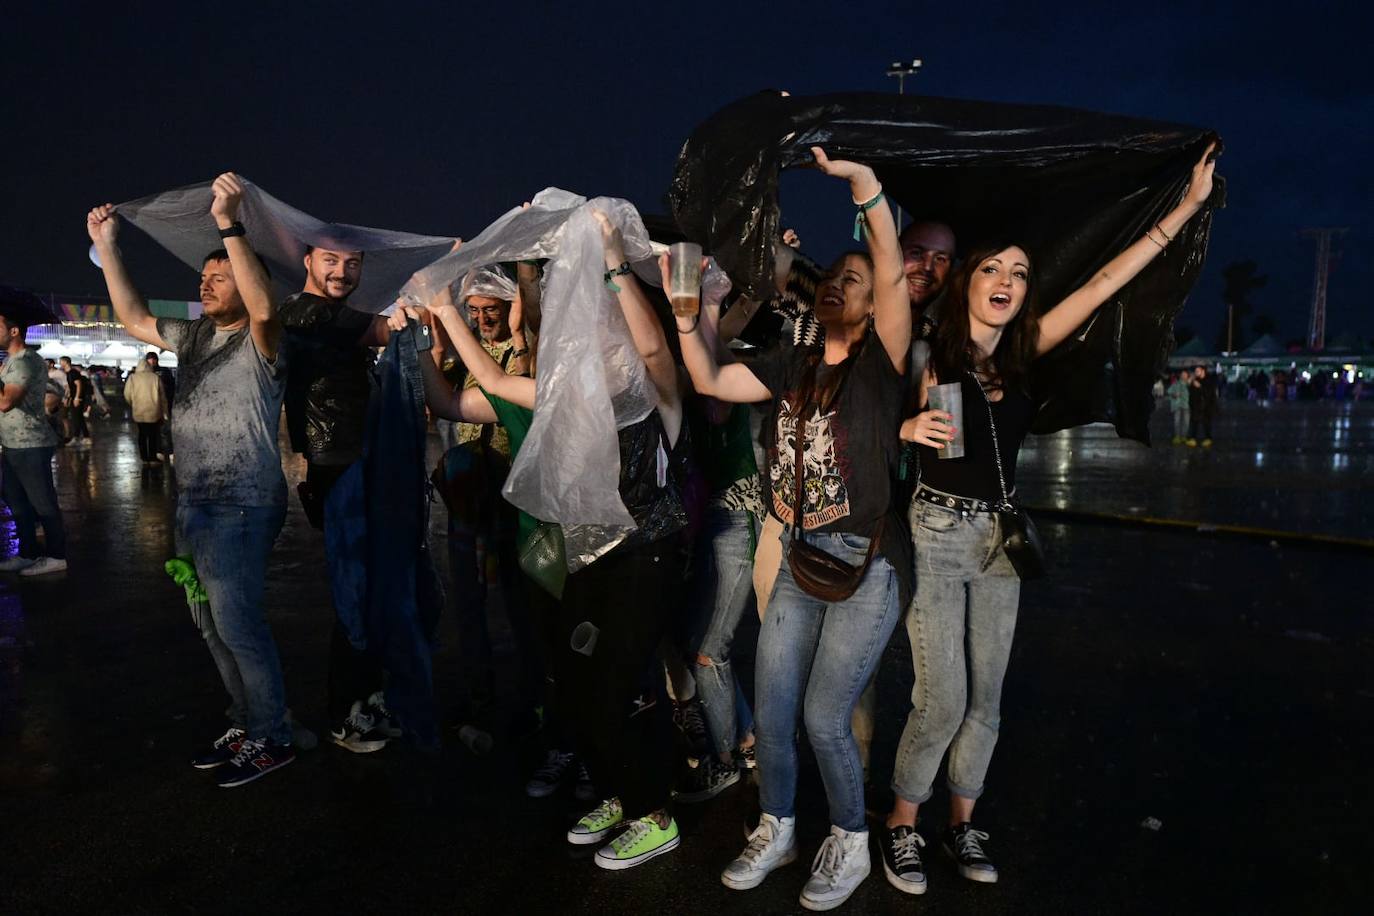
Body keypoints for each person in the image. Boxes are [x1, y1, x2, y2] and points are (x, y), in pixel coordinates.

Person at [882, 143, 1218, 894]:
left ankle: (962, 825)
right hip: (934, 532)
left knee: (989, 698)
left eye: (1020, 272)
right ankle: (902, 825)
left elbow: (1104, 282)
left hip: (999, 537)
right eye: (993, 268)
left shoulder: (1027, 349)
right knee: (941, 699)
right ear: (968, 277)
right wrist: (904, 431)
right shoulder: (925, 348)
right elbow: (870, 404)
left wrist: (1186, 209)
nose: (1005, 281)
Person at [676, 147, 911, 910]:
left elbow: (890, 265)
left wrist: (862, 186)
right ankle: (777, 830)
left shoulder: (883, 364)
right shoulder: (792, 363)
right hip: (799, 554)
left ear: (877, 302)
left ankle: (849, 838)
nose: (840, 284)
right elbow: (709, 378)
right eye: (835, 277)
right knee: (771, 713)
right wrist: (690, 318)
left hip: (864, 564)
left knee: (822, 716)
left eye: (855, 279)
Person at [86, 172, 297, 787]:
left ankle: (273, 734)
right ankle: (246, 718)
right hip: (195, 505)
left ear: (246, 277)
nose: (205, 283)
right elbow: (131, 317)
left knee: (239, 623)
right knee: (208, 622)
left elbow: (262, 305)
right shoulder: (196, 335)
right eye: (202, 277)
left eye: (220, 274)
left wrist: (229, 223)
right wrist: (110, 248)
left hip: (243, 504)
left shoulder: (265, 338)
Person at [278, 242, 399, 752]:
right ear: (307, 261)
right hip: (337, 465)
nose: (342, 272)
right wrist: (445, 279)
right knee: (354, 589)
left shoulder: (331, 316)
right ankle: (345, 712)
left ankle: (365, 698)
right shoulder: (306, 311)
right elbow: (388, 329)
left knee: (368, 586)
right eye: (330, 260)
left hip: (354, 461)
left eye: (352, 264)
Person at [0, 311, 68, 577]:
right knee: (16, 501)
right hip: (13, 443)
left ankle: (56, 555)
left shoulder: (26, 361)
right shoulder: (11, 362)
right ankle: (28, 553)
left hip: (30, 443)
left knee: (42, 503)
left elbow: (6, 402)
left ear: (14, 331)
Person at [124, 353, 168, 464]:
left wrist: (133, 404)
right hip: (154, 411)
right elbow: (163, 397)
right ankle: (153, 458)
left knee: (142, 434)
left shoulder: (132, 378)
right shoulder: (155, 378)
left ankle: (144, 458)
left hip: (139, 412)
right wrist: (165, 412)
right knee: (153, 435)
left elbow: (127, 394)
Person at [59, 357, 93, 446]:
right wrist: (67, 398)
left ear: (66, 362)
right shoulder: (69, 373)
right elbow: (70, 388)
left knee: (78, 418)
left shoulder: (73, 373)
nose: (60, 363)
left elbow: (78, 385)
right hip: (73, 398)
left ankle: (82, 437)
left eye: (61, 361)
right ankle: (80, 437)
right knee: (77, 418)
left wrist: (77, 398)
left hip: (78, 398)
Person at [1188, 364, 1218, 447]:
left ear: (1203, 371)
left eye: (1198, 371)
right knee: (1194, 423)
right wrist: (1190, 384)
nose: (1196, 372)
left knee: (1206, 423)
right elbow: (1191, 394)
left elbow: (1210, 394)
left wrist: (1200, 387)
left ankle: (1208, 438)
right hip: (1196, 407)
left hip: (1207, 407)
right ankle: (1192, 438)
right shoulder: (1195, 380)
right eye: (1195, 371)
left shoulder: (1209, 380)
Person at [1167, 368, 1192, 445]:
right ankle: (1177, 436)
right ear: (1180, 375)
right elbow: (1169, 391)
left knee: (1186, 422)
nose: (1183, 376)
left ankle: (1184, 436)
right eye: (1182, 374)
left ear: (1188, 375)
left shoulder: (1190, 384)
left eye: (1185, 374)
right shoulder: (1176, 383)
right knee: (1177, 421)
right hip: (1177, 405)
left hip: (1187, 405)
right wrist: (1174, 395)